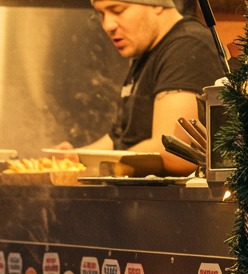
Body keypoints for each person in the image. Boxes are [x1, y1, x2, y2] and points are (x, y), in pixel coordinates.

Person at [58, 0, 222, 175]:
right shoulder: (149, 51)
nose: (107, 25)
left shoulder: (187, 46)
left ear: (157, 4)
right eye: (101, 14)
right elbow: (121, 139)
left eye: (117, 11)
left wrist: (100, 169)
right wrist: (75, 158)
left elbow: (175, 152)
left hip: (168, 202)